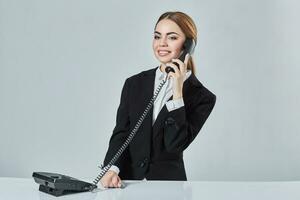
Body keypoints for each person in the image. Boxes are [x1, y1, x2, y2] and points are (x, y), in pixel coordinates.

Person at [100, 11, 216, 188]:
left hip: (170, 187)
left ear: (188, 45)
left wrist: (177, 93)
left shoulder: (202, 97)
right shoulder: (134, 84)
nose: (161, 43)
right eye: (157, 36)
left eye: (172, 37)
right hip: (127, 184)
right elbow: (122, 133)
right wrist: (111, 168)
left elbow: (175, 145)